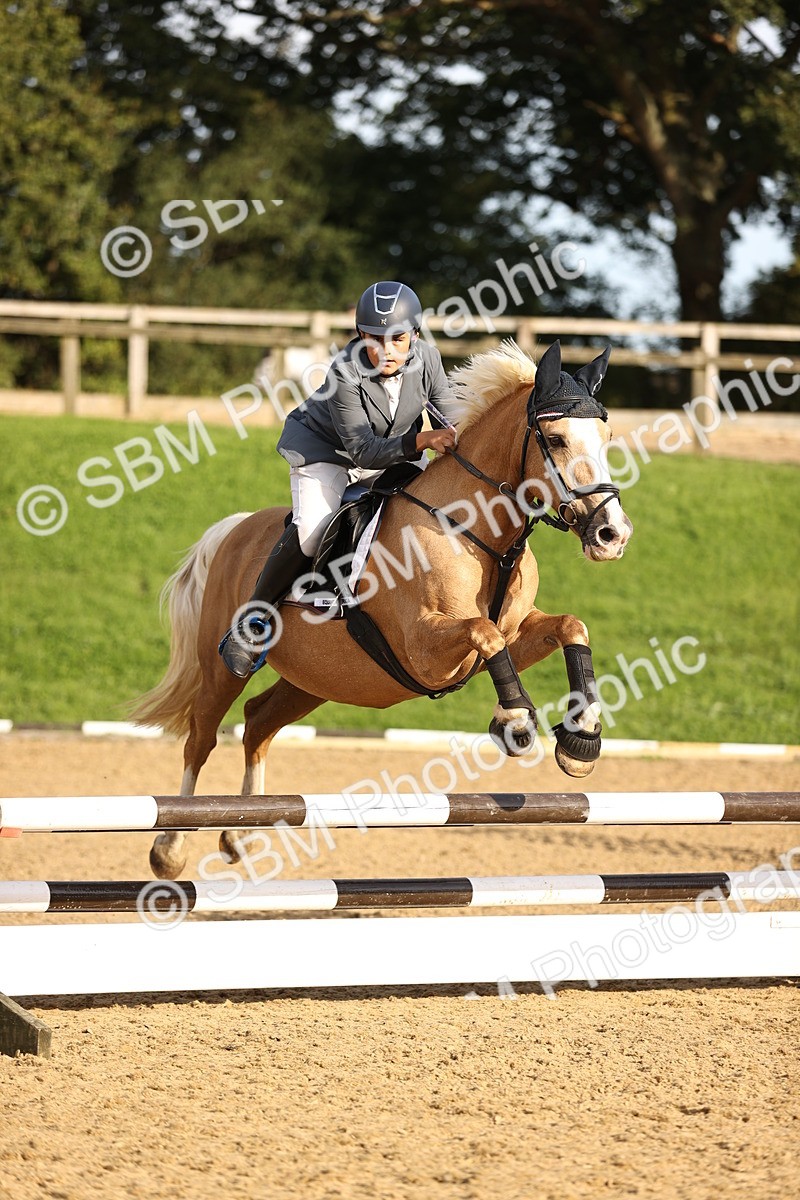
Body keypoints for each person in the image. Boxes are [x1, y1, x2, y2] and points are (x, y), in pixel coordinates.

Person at [219, 280, 458, 677]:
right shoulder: (345, 371)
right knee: (313, 530)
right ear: (360, 334)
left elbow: (453, 414)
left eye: (398, 339)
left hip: (394, 448)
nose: (386, 350)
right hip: (328, 452)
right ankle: (252, 623)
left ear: (415, 335)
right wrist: (423, 438)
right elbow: (363, 451)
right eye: (374, 338)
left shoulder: (428, 359)